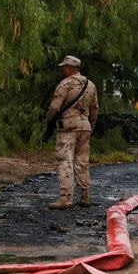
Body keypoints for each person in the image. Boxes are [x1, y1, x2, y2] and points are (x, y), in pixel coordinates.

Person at [45, 55, 98, 209]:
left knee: (65, 160)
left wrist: (48, 120)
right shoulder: (91, 85)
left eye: (64, 67)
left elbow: (55, 107)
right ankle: (85, 196)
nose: (63, 70)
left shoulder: (65, 84)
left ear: (69, 68)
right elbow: (94, 109)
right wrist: (90, 126)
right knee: (82, 160)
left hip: (68, 127)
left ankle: (65, 198)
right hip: (85, 126)